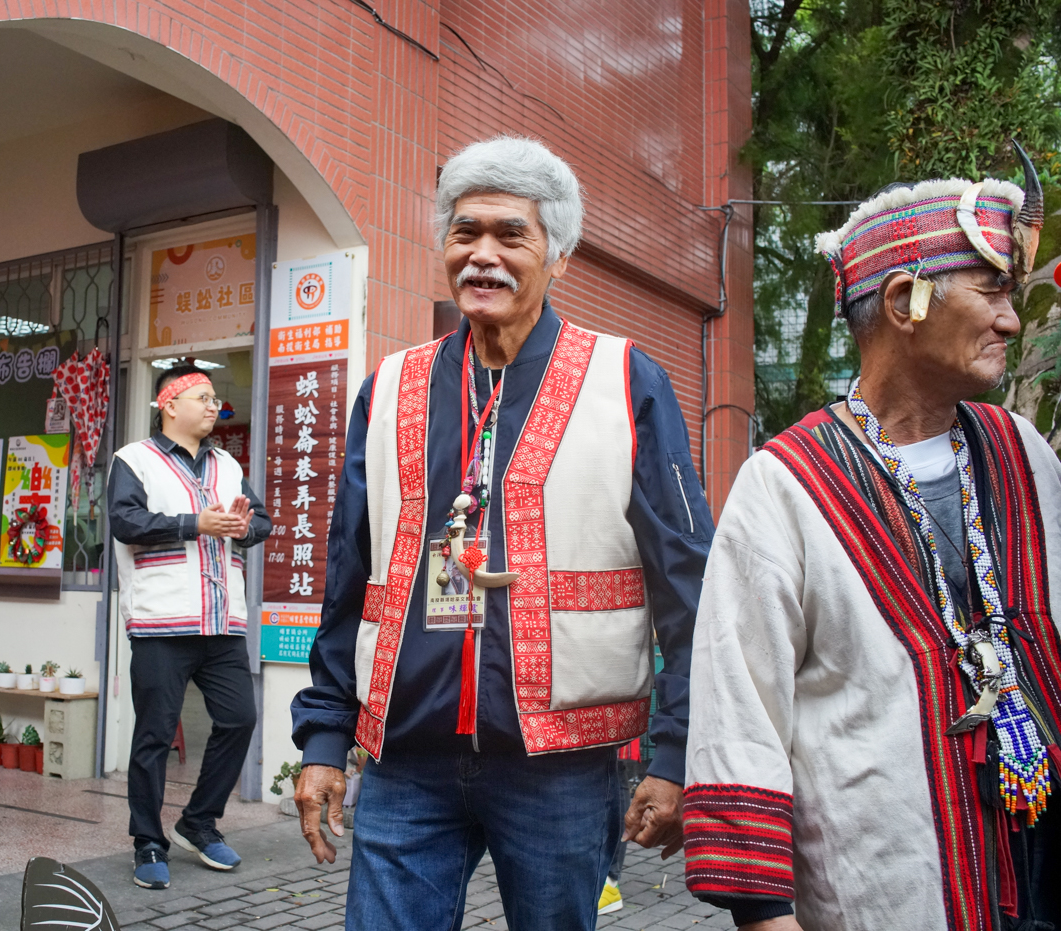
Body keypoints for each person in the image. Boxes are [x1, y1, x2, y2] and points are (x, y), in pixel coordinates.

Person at [290, 136, 712, 930]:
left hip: (562, 768)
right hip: (404, 761)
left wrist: (676, 753)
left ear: (558, 256)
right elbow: (349, 577)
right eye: (465, 231)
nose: (482, 254)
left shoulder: (626, 382)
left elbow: (690, 585)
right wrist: (323, 738)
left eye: (511, 234)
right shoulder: (390, 389)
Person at [683, 149, 1060, 930]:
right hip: (889, 892)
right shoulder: (781, 485)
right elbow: (739, 714)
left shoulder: (1024, 450)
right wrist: (764, 915)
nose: (1011, 320)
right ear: (903, 301)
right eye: (991, 291)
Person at [108, 363, 271, 890]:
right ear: (169, 404)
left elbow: (262, 521)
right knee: (154, 735)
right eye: (202, 396)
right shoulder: (133, 460)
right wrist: (193, 523)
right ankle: (147, 841)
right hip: (161, 622)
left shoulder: (226, 464)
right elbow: (125, 522)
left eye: (215, 397)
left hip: (223, 622)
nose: (212, 405)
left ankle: (198, 822)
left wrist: (245, 526)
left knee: (240, 718)